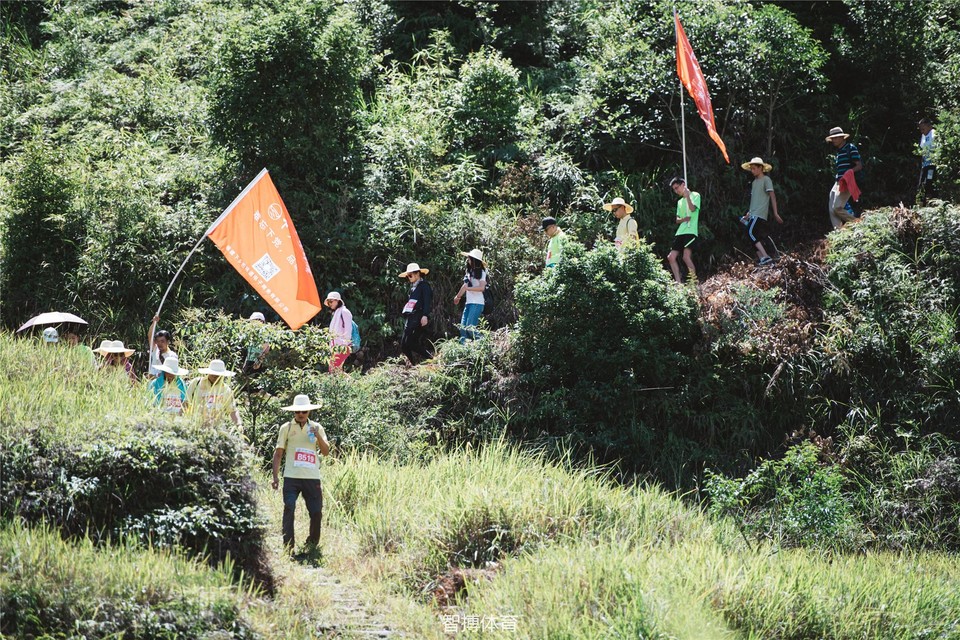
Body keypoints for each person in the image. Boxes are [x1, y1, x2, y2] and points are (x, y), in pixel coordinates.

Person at [271, 394, 330, 551]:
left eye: (304, 411)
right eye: (298, 412)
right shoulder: (286, 428)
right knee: (289, 508)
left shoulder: (317, 427)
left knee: (316, 511)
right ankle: (288, 547)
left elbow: (325, 452)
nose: (301, 414)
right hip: (291, 477)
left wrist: (317, 435)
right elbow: (278, 453)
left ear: (309, 411)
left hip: (312, 477)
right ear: (294, 412)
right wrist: (275, 476)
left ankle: (312, 544)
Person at [740, 157, 784, 266]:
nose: (752, 171)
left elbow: (772, 196)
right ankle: (761, 259)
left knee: (750, 232)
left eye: (754, 168)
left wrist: (775, 213)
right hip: (753, 213)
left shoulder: (766, 180)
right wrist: (748, 214)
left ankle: (765, 256)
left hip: (759, 213)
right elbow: (754, 200)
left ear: (761, 168)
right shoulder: (754, 182)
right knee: (752, 235)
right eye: (751, 169)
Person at [826, 126, 863, 229]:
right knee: (831, 209)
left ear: (842, 138)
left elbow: (859, 165)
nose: (833, 140)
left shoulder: (850, 148)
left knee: (837, 207)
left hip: (847, 181)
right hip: (838, 182)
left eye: (836, 137)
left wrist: (850, 172)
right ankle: (838, 232)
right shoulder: (839, 152)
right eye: (832, 138)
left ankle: (857, 223)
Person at [186, 359, 241, 426]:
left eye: (218, 375)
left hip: (216, 429)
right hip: (196, 426)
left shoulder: (226, 389)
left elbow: (232, 410)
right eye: (213, 374)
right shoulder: (196, 383)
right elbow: (186, 403)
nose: (215, 377)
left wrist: (239, 424)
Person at [666, 177, 700, 284]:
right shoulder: (680, 202)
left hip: (690, 230)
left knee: (686, 257)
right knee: (671, 257)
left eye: (677, 188)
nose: (676, 191)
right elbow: (677, 219)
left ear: (683, 184)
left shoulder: (695, 195)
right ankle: (678, 283)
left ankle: (694, 283)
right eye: (674, 190)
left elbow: (693, 209)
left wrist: (688, 197)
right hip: (681, 231)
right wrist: (684, 219)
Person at [398, 262, 433, 364]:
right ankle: (413, 363)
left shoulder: (424, 286)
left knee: (410, 342)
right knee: (404, 344)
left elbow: (427, 301)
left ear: (417, 274)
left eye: (410, 275)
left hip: (418, 317)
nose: (409, 278)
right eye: (407, 276)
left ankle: (429, 358)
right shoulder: (414, 287)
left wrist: (425, 315)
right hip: (411, 317)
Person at [453, 249, 487, 343]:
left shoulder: (482, 273)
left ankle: (484, 342)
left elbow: (481, 288)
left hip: (477, 303)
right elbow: (465, 286)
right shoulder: (469, 272)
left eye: (469, 258)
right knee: (463, 329)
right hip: (469, 303)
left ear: (474, 260)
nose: (468, 260)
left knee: (470, 328)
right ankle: (464, 351)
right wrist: (458, 297)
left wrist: (469, 289)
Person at [324, 292, 353, 372]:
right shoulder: (337, 313)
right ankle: (355, 384)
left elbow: (348, 329)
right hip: (336, 347)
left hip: (343, 346)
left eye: (331, 301)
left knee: (333, 368)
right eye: (328, 302)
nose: (329, 304)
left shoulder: (344, 312)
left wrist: (345, 345)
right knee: (337, 369)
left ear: (337, 301)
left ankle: (353, 384)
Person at [146, 315, 177, 379]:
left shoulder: (172, 356)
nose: (159, 344)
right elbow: (150, 336)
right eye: (158, 341)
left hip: (163, 383)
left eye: (162, 341)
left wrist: (155, 376)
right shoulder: (155, 350)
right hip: (152, 383)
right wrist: (154, 322)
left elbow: (171, 373)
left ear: (167, 342)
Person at [918, 118, 936, 202]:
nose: (922, 131)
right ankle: (922, 202)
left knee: (929, 182)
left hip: (932, 164)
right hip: (925, 164)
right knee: (921, 184)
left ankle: (931, 201)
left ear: (929, 126)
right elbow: (922, 149)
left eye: (923, 129)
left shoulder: (934, 134)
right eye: (920, 129)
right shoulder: (923, 136)